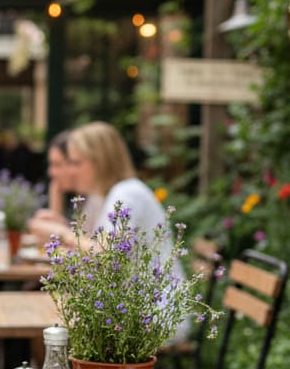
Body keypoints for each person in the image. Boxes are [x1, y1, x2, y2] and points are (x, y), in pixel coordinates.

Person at [31, 120, 189, 339]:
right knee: (53, 323)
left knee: (53, 328)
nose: (72, 172)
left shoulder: (127, 194)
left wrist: (62, 233)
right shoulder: (112, 195)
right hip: (135, 309)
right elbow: (90, 247)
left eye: (77, 163)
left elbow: (105, 255)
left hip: (156, 315)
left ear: (100, 162)